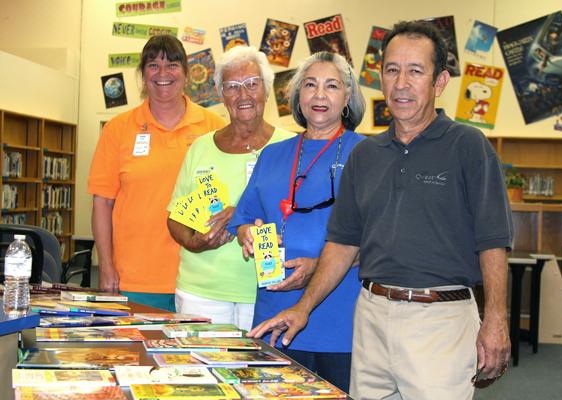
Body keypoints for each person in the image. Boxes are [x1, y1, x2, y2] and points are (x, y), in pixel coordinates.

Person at [248, 21, 514, 400]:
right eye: (392, 70)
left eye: (415, 71)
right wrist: (303, 307)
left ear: (440, 82)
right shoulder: (366, 155)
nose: (401, 83)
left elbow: (493, 241)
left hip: (440, 319)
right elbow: (343, 244)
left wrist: (497, 319)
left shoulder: (468, 146)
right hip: (371, 317)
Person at [229, 51, 366, 392]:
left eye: (331, 86)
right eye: (310, 85)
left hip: (339, 323)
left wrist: (319, 266)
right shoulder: (273, 154)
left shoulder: (367, 155)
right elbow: (243, 218)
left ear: (347, 97)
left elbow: (381, 241)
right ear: (297, 95)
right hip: (272, 316)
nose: (319, 95)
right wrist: (247, 234)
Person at [88, 35, 226, 311]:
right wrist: (106, 265)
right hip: (134, 279)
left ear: (186, 74)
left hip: (202, 278)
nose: (163, 73)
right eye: (153, 65)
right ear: (143, 74)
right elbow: (102, 202)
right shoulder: (117, 129)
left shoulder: (214, 127)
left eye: (172, 65)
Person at [166, 46, 294, 331]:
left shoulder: (291, 147)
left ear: (267, 90)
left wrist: (241, 216)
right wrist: (194, 242)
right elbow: (175, 217)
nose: (243, 94)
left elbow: (304, 216)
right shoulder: (200, 148)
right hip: (200, 293)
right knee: (198, 362)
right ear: (221, 95)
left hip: (266, 291)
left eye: (252, 84)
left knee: (260, 362)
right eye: (232, 86)